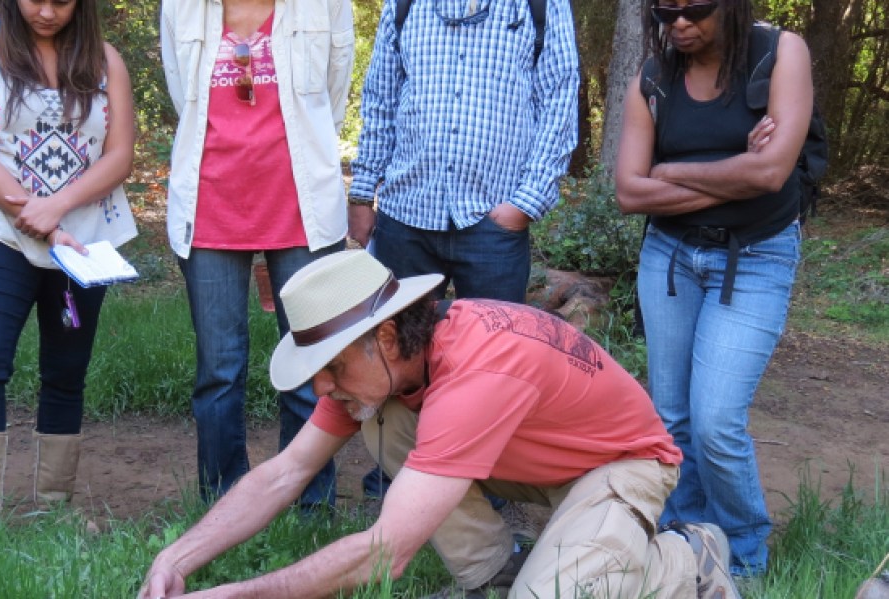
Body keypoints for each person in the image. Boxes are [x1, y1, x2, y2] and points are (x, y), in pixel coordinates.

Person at [138, 249, 743, 598]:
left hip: (621, 466)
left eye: (331, 367)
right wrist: (177, 558)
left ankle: (686, 558)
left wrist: (237, 595)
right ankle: (494, 573)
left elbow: (385, 553)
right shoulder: (387, 369)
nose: (320, 387)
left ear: (385, 336)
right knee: (382, 418)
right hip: (535, 458)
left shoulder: (477, 371)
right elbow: (286, 472)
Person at [347, 0, 580, 500]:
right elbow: (381, 96)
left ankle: (484, 485)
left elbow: (559, 98)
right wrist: (364, 192)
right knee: (394, 350)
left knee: (493, 364)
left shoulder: (540, 6)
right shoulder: (404, 6)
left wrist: (526, 202)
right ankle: (393, 477)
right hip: (407, 212)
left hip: (492, 221)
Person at [614, 0, 815, 579]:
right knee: (671, 416)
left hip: (755, 256)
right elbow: (629, 192)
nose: (678, 23)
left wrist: (669, 171)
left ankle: (745, 557)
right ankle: (691, 544)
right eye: (664, 10)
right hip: (669, 257)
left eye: (694, 9)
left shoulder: (779, 53)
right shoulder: (653, 77)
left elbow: (772, 174)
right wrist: (736, 169)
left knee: (717, 421)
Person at [0, 0, 137, 524]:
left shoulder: (105, 61)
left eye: (62, 1)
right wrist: (42, 220)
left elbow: (120, 155)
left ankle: (55, 510)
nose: (47, 11)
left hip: (82, 248)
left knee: (66, 369)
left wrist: (60, 209)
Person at [160, 0, 354, 507]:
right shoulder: (180, 7)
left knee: (311, 365)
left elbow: (332, 98)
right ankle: (225, 505)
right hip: (210, 208)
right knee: (219, 372)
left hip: (301, 209)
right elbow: (184, 97)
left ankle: (308, 507)